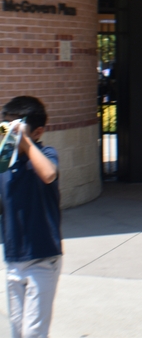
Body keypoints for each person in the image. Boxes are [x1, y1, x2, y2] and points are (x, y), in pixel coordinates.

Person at [0, 96, 61, 338]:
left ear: (38, 132)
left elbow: (48, 174)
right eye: (6, 126)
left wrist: (24, 141)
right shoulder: (5, 164)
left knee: (33, 333)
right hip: (14, 258)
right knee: (17, 331)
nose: (9, 133)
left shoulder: (46, 154)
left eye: (14, 127)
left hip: (42, 258)